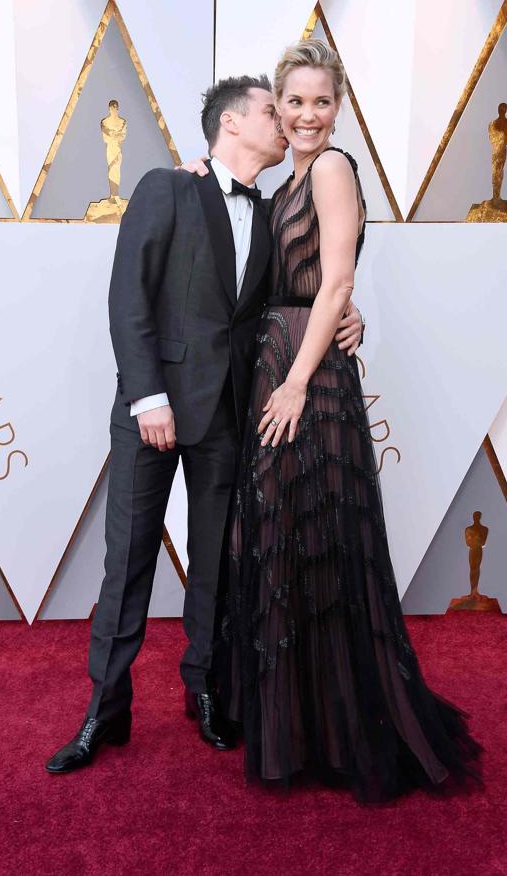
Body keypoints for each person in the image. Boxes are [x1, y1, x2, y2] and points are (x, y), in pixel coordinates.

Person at [45, 74, 364, 774]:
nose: (284, 123)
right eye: (269, 112)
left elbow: (297, 290)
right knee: (126, 563)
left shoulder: (279, 204)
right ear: (230, 125)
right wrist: (146, 397)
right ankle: (106, 708)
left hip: (230, 414)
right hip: (153, 411)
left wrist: (344, 312)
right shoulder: (168, 186)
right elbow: (128, 296)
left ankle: (206, 692)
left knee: (216, 564)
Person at [218, 40, 484, 803]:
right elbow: (304, 279)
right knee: (279, 534)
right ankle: (299, 721)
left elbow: (336, 277)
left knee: (318, 540)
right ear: (276, 106)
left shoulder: (332, 169)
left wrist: (300, 379)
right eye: (293, 102)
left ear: (339, 108)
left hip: (306, 376)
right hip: (281, 358)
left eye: (320, 102)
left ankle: (332, 728)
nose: (306, 115)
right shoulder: (282, 180)